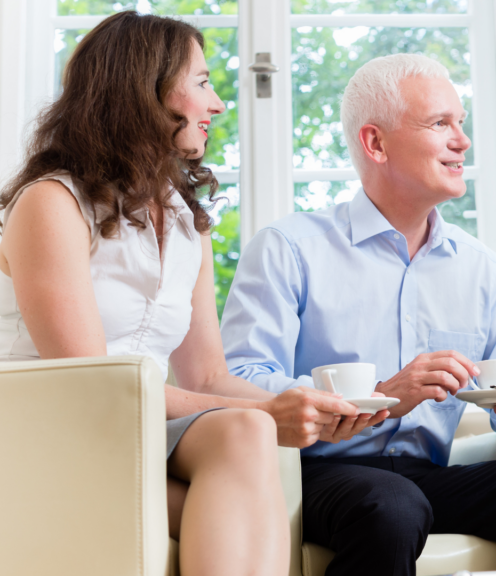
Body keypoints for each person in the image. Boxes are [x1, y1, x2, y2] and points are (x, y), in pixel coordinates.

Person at [0, 12, 385, 576]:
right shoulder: (51, 203)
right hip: (54, 425)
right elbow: (94, 382)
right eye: (203, 82)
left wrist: (303, 405)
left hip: (136, 428)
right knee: (249, 435)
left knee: (247, 434)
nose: (219, 105)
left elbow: (205, 377)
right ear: (144, 91)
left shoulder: (186, 223)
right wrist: (265, 412)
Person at [220, 53, 496, 576]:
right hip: (315, 474)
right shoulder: (288, 248)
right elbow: (238, 382)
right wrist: (383, 395)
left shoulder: (481, 268)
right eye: (440, 124)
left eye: (462, 123)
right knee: (392, 505)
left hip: (427, 474)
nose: (462, 141)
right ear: (375, 143)